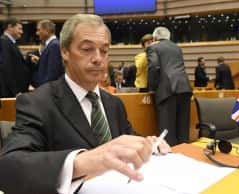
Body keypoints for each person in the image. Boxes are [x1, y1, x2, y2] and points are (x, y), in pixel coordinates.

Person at [0, 14, 170, 194]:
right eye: (87, 49)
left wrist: (147, 143)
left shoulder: (114, 104)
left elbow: (126, 139)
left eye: (104, 50)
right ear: (65, 52)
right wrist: (81, 162)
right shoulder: (38, 102)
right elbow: (9, 168)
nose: (98, 58)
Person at [147, 26, 192, 146]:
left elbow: (154, 67)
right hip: (184, 87)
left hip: (167, 90)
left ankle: (170, 159)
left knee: (167, 132)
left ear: (155, 37)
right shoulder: (177, 48)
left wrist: (152, 87)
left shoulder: (153, 47)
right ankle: (184, 156)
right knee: (183, 129)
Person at [0, 16, 31, 97]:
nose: (22, 32)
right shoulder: (4, 42)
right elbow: (6, 69)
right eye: (19, 28)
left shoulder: (10, 42)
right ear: (10, 27)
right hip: (11, 93)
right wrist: (15, 91)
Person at [30, 19, 65, 87]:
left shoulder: (54, 45)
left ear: (47, 30)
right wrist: (40, 61)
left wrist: (44, 90)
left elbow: (52, 73)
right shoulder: (51, 45)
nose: (37, 33)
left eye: (39, 30)